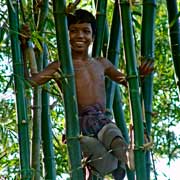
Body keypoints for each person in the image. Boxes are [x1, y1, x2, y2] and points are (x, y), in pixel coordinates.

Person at [20, 9, 153, 180]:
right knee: (97, 157)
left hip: (102, 119)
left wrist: (139, 75)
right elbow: (29, 81)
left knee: (114, 135)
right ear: (64, 35)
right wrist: (25, 46)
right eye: (73, 31)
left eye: (86, 31)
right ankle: (109, 164)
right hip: (79, 126)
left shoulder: (101, 63)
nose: (79, 36)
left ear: (93, 36)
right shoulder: (60, 66)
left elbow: (127, 81)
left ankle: (129, 157)